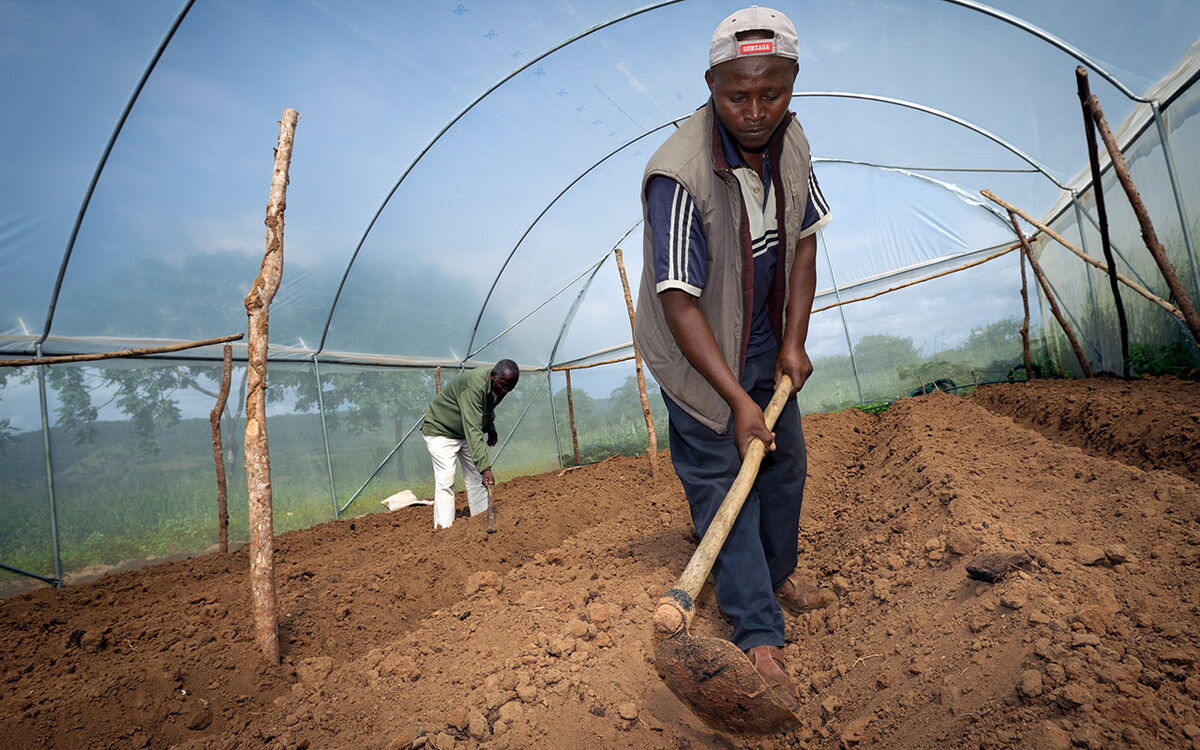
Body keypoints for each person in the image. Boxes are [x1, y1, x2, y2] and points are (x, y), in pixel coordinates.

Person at [633, 6, 835, 706]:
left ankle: (778, 575)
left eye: (770, 93)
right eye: (737, 96)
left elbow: (803, 243)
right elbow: (678, 303)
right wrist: (738, 400)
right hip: (696, 354)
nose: (754, 112)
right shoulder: (677, 175)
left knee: (785, 467)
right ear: (711, 85)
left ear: (792, 82)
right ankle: (757, 633)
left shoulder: (793, 140)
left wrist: (792, 340)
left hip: (761, 333)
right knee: (726, 485)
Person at [420, 359, 519, 529]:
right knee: (446, 478)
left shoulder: (499, 384)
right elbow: (473, 429)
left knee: (476, 477)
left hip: (463, 430)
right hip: (441, 430)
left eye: (510, 388)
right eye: (503, 386)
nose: (505, 390)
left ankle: (480, 522)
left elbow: (486, 408)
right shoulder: (474, 387)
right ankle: (444, 529)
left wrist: (490, 428)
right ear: (493, 376)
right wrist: (486, 468)